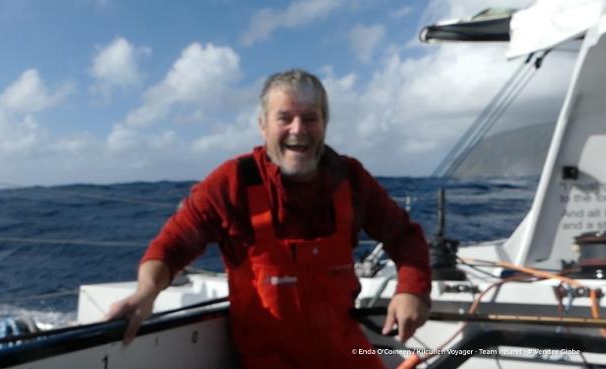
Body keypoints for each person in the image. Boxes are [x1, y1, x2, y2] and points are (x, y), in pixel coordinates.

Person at [105, 69, 431, 369]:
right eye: (284, 118)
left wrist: (412, 291)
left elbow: (404, 236)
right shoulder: (233, 181)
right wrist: (146, 292)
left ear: (325, 123)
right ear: (263, 125)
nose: (298, 130)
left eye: (310, 118)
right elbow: (171, 246)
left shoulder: (351, 179)